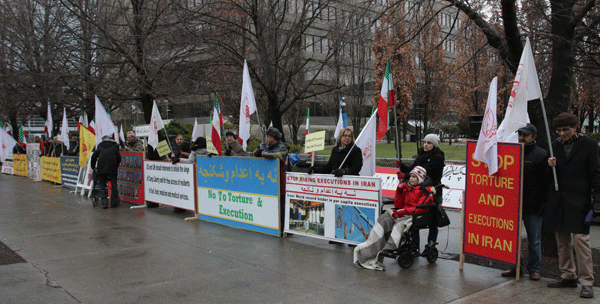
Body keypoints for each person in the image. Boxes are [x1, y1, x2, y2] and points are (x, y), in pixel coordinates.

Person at [545, 112, 600, 299]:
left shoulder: (590, 145)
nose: (562, 133)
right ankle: (568, 275)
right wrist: (549, 166)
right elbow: (548, 177)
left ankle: (587, 281)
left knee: (581, 240)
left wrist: (597, 201)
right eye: (558, 130)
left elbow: (596, 174)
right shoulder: (554, 147)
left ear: (575, 127)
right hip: (559, 202)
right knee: (562, 241)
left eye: (565, 129)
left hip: (582, 204)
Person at [353, 166, 435, 270]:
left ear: (420, 179)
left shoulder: (426, 191)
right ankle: (371, 244)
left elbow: (419, 209)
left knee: (399, 225)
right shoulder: (406, 187)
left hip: (414, 215)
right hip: (403, 212)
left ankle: (390, 247)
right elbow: (398, 204)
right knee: (383, 219)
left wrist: (403, 212)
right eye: (410, 176)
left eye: (414, 177)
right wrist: (399, 191)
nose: (411, 179)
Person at [501, 123, 549, 281]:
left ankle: (534, 269)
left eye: (525, 135)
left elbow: (545, 182)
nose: (521, 137)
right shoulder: (511, 153)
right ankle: (515, 266)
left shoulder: (541, 155)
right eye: (520, 134)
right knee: (511, 237)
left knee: (534, 239)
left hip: (533, 205)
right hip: (512, 203)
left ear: (534, 137)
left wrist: (543, 203)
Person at [397, 133, 444, 255]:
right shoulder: (421, 156)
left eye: (429, 143)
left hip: (433, 191)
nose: (425, 145)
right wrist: (402, 167)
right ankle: (414, 245)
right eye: (424, 142)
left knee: (433, 220)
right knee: (415, 219)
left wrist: (406, 176)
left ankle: (431, 244)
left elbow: (421, 173)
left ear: (434, 145)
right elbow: (412, 169)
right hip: (418, 191)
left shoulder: (438, 157)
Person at [254, 128, 290, 232]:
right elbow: (255, 154)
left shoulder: (282, 146)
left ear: (273, 137)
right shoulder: (268, 147)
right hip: (269, 181)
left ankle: (284, 226)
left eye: (268, 137)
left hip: (281, 181)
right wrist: (260, 148)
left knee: (282, 205)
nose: (267, 139)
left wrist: (264, 151)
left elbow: (275, 155)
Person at [91, 135, 122, 209]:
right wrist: (116, 165)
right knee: (113, 184)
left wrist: (93, 166)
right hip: (112, 167)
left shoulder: (100, 145)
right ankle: (114, 202)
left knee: (101, 185)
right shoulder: (115, 146)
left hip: (101, 167)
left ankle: (104, 202)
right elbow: (118, 157)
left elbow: (94, 156)